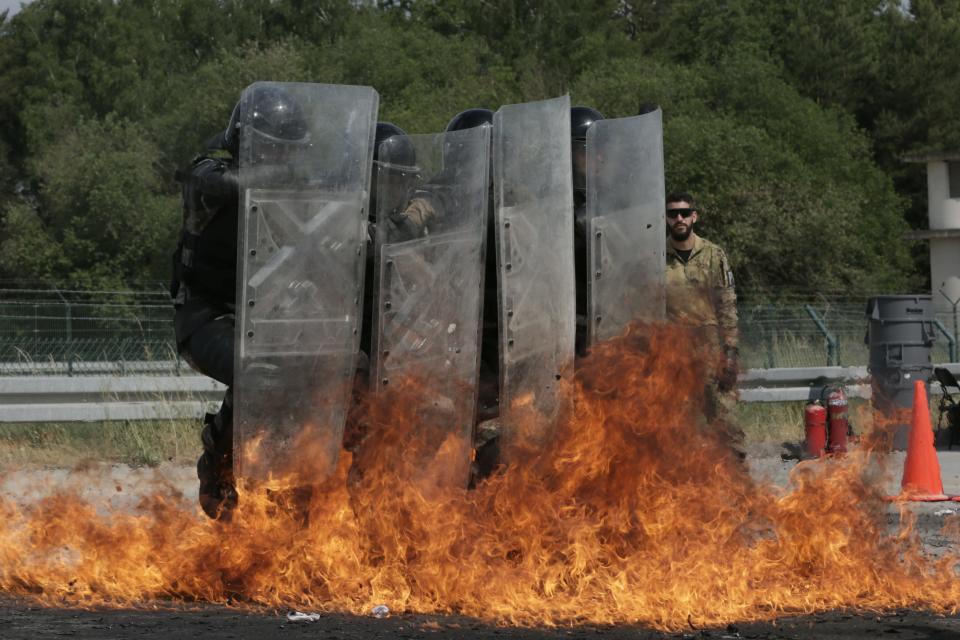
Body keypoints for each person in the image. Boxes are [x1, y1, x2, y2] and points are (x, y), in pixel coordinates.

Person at [170, 85, 309, 519]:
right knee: (257, 373)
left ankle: (299, 486)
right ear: (247, 142)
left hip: (265, 319)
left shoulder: (291, 195)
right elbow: (219, 183)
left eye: (285, 152)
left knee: (322, 376)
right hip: (206, 317)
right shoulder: (208, 177)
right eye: (271, 149)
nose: (279, 159)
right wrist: (281, 176)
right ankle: (217, 463)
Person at [664, 192, 742, 446]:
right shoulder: (656, 257)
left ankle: (735, 474)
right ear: (665, 219)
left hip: (709, 348)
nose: (679, 218)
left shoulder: (712, 255)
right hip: (673, 351)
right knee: (676, 422)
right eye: (673, 213)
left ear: (694, 217)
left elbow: (727, 304)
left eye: (684, 213)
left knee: (723, 418)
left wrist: (730, 351)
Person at [569, 106, 604, 355]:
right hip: (556, 326)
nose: (598, 157)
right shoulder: (544, 199)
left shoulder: (609, 196)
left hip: (603, 322)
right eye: (588, 149)